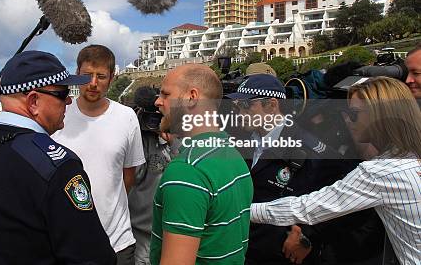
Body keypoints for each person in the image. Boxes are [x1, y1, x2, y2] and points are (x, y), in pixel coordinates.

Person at [0, 50, 116, 264]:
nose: (69, 100)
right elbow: (92, 257)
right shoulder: (56, 165)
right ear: (33, 102)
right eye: (62, 93)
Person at [251, 77, 421, 265]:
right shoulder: (410, 159)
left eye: (353, 113)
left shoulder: (380, 173)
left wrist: (242, 210)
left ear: (378, 116)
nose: (347, 119)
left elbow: (304, 209)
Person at [225, 74, 384, 264]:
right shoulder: (238, 142)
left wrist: (310, 237)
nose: (240, 113)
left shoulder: (312, 150)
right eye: (237, 106)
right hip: (242, 248)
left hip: (280, 255)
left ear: (272, 105)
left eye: (246, 106)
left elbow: (349, 204)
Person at [150, 64, 253, 265]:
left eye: (165, 94)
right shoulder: (233, 155)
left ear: (191, 97)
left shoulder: (187, 170)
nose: (158, 102)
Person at [52, 45, 145, 264]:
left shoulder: (127, 117)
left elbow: (128, 177)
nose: (93, 83)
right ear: (77, 75)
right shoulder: (58, 117)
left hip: (117, 243)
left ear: (112, 78)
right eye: (87, 76)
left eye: (101, 76)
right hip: (66, 244)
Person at [127, 87, 175, 265]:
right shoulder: (139, 140)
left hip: (174, 235)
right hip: (142, 240)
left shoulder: (181, 137)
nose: (156, 120)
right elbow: (131, 177)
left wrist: (173, 139)